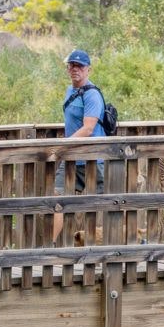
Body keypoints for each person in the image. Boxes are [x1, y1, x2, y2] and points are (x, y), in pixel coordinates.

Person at [53, 49, 105, 245]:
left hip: (94, 159)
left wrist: (62, 145)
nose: (75, 69)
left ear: (88, 69)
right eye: (72, 65)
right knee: (56, 200)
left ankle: (131, 240)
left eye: (80, 66)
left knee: (111, 202)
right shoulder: (70, 91)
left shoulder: (92, 95)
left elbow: (89, 128)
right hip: (72, 160)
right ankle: (51, 247)